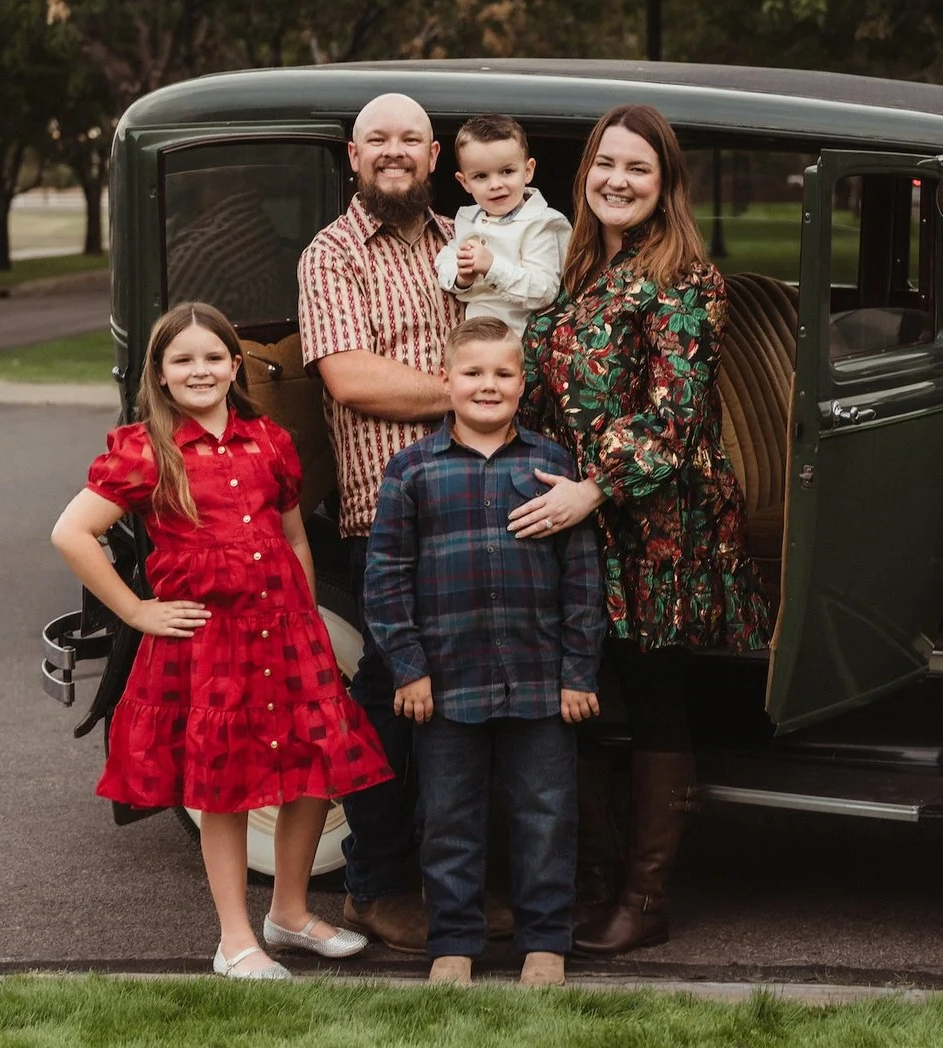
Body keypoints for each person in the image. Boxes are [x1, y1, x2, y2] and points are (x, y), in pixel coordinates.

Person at [50, 301, 388, 980]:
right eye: (183, 360)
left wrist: (310, 623)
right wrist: (137, 611)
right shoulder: (146, 449)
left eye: (213, 357)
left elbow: (293, 536)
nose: (200, 370)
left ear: (236, 365)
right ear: (162, 374)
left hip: (289, 635)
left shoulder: (270, 440)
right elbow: (71, 532)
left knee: (312, 767)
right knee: (226, 787)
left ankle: (288, 914)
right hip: (212, 644)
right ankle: (235, 940)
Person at [511, 102, 773, 956]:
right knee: (580, 693)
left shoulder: (684, 278)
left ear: (666, 187)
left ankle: (645, 896)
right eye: (605, 164)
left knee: (654, 698)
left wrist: (594, 487)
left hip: (657, 524)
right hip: (572, 516)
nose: (617, 180)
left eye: (638, 169)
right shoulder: (581, 263)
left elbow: (677, 418)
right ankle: (587, 882)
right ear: (586, 171)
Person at [364, 317, 605, 988]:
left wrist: (578, 671)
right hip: (447, 682)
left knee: (547, 813)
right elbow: (385, 579)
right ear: (447, 380)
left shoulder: (553, 466)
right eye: (473, 372)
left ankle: (545, 942)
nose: (488, 385)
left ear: (524, 383)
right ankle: (454, 942)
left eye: (503, 373)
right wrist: (408, 666)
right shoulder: (413, 469)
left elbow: (583, 577)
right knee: (448, 818)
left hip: (540, 681)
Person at [297, 92, 464, 953]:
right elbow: (351, 378)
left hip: (478, 502)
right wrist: (465, 392)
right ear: (352, 156)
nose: (394, 152)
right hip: (387, 514)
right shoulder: (331, 255)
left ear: (434, 155)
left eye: (410, 138)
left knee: (462, 700)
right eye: (377, 140)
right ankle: (374, 883)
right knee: (395, 699)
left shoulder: (462, 244)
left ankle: (457, 887)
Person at [434, 114, 571, 337]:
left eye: (507, 172)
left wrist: (492, 268)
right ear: (464, 182)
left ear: (528, 171)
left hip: (521, 340)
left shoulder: (541, 223)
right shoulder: (469, 220)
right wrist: (461, 277)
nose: (496, 184)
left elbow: (543, 291)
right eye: (481, 176)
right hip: (472, 338)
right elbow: (443, 263)